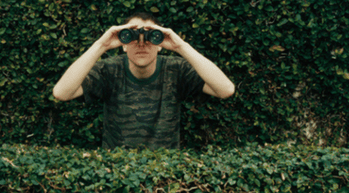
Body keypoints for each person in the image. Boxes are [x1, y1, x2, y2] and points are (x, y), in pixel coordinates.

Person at [52, 12, 235, 149]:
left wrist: (181, 46)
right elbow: (61, 93)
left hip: (165, 173)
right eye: (131, 37)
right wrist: (101, 45)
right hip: (117, 172)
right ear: (123, 43)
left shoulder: (176, 69)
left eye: (151, 37)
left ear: (160, 44)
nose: (141, 43)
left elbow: (225, 89)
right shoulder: (109, 70)